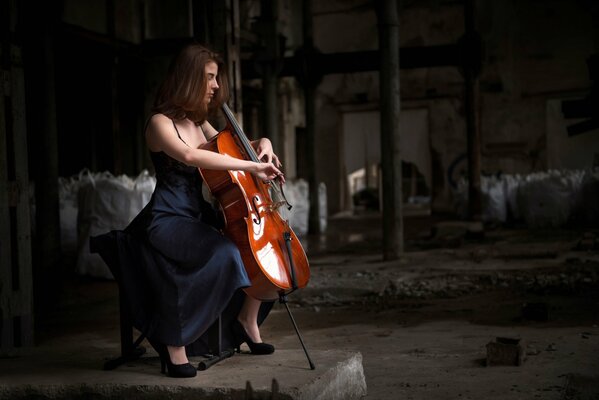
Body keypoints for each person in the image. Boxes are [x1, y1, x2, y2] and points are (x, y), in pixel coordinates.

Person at [90, 43, 283, 378]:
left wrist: (262, 145)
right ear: (190, 78)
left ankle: (246, 321)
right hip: (167, 219)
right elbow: (192, 156)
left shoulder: (200, 124)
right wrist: (251, 168)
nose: (215, 86)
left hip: (199, 216)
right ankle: (173, 343)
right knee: (223, 254)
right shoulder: (159, 124)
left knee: (260, 249)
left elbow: (236, 147)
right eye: (209, 77)